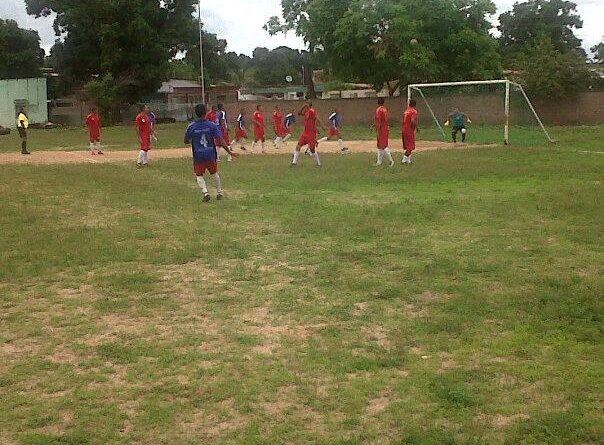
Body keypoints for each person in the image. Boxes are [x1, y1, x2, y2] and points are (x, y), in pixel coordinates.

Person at [184, 104, 238, 202]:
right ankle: (219, 192)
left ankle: (205, 193)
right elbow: (220, 140)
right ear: (206, 113)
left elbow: (186, 141)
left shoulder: (191, 127)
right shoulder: (211, 125)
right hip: (210, 154)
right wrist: (229, 152)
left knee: (199, 175)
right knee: (214, 173)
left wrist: (194, 139)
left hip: (199, 155)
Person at [291, 101, 326, 167]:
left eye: (306, 104)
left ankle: (319, 164)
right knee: (298, 146)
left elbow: (317, 118)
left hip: (311, 133)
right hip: (305, 133)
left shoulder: (312, 111)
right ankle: (294, 163)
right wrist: (303, 107)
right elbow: (299, 113)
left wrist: (322, 126)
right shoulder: (306, 112)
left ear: (309, 105)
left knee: (312, 149)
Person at [374, 98, 394, 167]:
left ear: (378, 102)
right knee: (380, 146)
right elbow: (384, 119)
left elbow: (379, 120)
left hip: (382, 129)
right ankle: (379, 162)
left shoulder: (378, 110)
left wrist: (377, 129)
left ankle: (391, 161)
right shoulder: (385, 109)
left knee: (383, 145)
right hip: (385, 128)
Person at [402, 99, 419, 165]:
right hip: (409, 130)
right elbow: (412, 121)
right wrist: (416, 127)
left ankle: (408, 161)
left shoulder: (406, 111)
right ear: (415, 105)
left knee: (408, 145)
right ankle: (404, 160)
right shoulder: (413, 111)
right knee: (411, 146)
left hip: (404, 129)